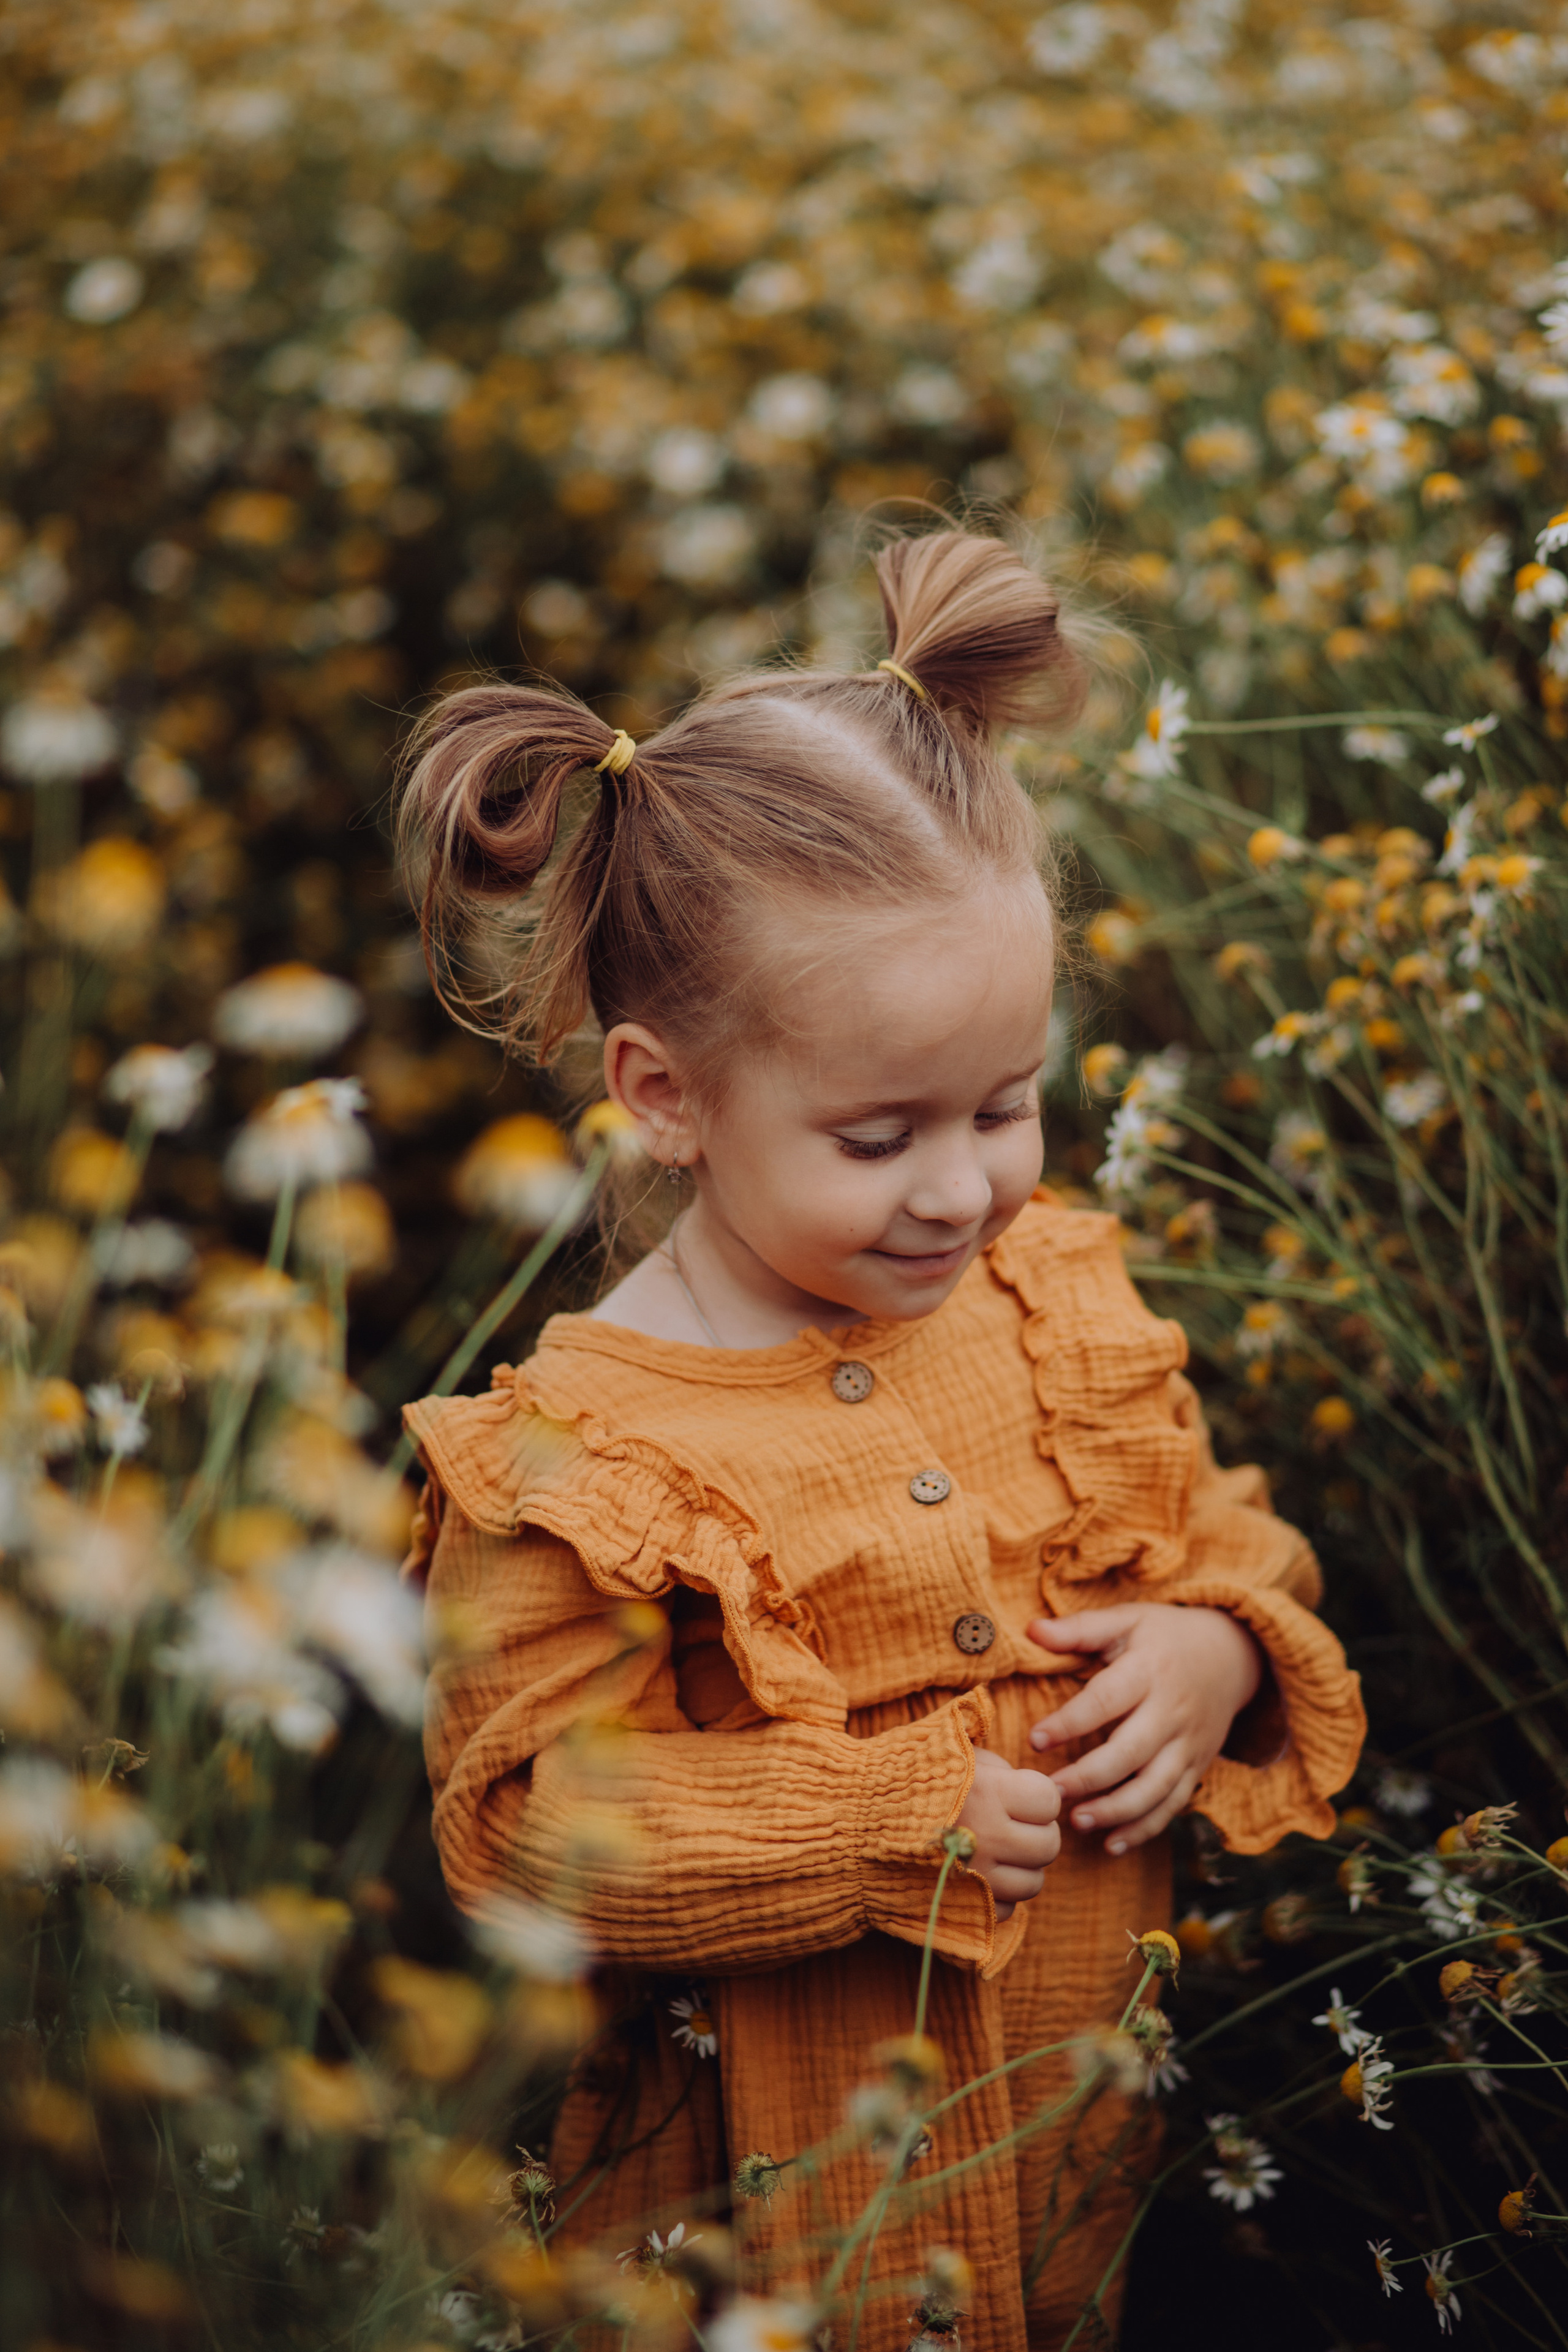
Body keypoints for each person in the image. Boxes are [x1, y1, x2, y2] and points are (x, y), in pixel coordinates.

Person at [396, 527, 1365, 2350]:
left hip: (1074, 2166)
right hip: (769, 2237)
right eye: (877, 1137)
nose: (961, 1188)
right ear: (666, 1096)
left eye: (1005, 1105)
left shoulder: (1053, 1300)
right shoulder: (583, 1450)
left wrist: (1215, 1647)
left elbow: (1225, 1526)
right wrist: (877, 1827)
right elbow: (524, 1825)